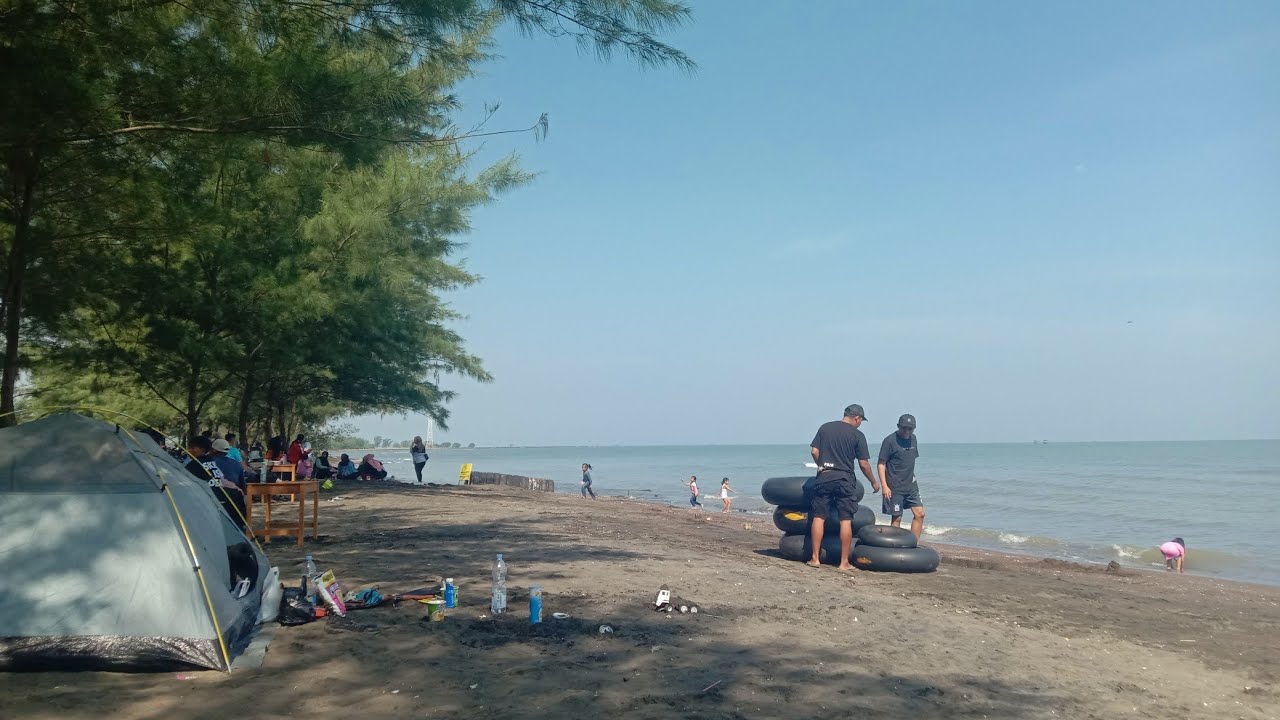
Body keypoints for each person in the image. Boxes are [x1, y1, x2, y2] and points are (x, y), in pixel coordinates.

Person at [809, 404, 882, 570]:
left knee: (819, 517)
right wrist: (873, 481)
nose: (860, 424)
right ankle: (843, 563)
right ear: (857, 418)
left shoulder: (825, 428)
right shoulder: (857, 434)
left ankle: (815, 559)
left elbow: (814, 451)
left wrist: (821, 466)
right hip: (845, 479)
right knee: (846, 520)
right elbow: (863, 464)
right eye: (861, 421)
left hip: (825, 477)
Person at [878, 413, 925, 539]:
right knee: (897, 518)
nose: (907, 431)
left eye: (910, 428)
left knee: (920, 514)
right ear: (898, 426)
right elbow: (881, 464)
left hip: (911, 485)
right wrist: (884, 486)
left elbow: (909, 461)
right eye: (904, 428)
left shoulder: (913, 439)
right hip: (894, 486)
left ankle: (914, 544)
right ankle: (895, 546)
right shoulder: (889, 441)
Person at [184, 436, 246, 530]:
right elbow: (242, 486)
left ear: (211, 450)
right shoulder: (235, 464)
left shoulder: (196, 463)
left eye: (192, 448)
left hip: (209, 507)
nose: (189, 450)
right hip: (235, 507)